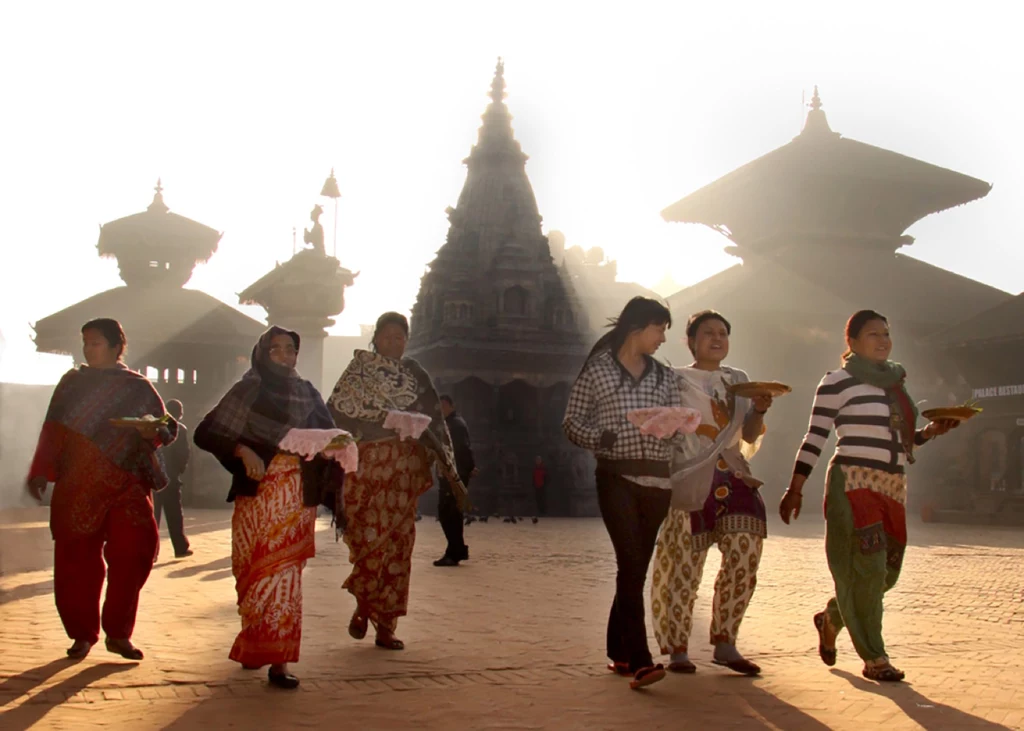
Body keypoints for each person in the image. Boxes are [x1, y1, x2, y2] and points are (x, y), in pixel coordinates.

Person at [779, 310, 959, 683]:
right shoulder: (836, 382)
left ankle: (831, 617)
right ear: (853, 342)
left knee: (886, 574)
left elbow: (904, 440)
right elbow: (815, 437)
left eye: (887, 334)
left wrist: (932, 431)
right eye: (873, 334)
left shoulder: (895, 383)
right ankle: (875, 657)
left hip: (892, 485)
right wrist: (795, 488)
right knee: (867, 568)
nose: (883, 340)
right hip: (853, 483)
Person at [193, 326, 339, 689]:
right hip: (257, 495)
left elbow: (328, 434)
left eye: (290, 349)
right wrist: (243, 450)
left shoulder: (307, 392)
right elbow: (206, 432)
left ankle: (279, 660)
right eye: (276, 350)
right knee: (252, 571)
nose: (285, 356)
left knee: (284, 576)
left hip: (295, 495)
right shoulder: (248, 389)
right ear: (262, 353)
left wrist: (337, 446)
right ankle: (255, 641)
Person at [25, 318, 177, 661]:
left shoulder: (138, 387)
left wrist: (148, 432)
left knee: (135, 552)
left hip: (128, 482)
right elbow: (52, 430)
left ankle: (119, 633)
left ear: (115, 346)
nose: (87, 349)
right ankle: (82, 634)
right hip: (79, 482)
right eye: (85, 342)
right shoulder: (71, 384)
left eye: (94, 343)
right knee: (75, 560)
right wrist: (40, 472)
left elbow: (165, 428)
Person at [562, 296, 683, 690]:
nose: (663, 338)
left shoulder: (665, 377)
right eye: (659, 328)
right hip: (616, 477)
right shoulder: (598, 371)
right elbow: (571, 422)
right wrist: (602, 437)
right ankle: (643, 660)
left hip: (658, 483)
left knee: (634, 571)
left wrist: (674, 425)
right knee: (630, 563)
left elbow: (679, 421)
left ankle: (619, 652)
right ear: (638, 327)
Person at [328, 312, 466, 650]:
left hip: (403, 476)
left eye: (401, 337)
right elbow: (338, 411)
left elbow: (435, 420)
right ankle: (363, 605)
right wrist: (385, 420)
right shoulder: (359, 371)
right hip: (368, 472)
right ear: (375, 337)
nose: (395, 342)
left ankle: (386, 625)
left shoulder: (415, 374)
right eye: (389, 336)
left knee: (398, 549)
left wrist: (446, 462)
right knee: (369, 542)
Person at [651, 310, 773, 677]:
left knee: (745, 553)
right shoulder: (672, 380)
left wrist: (760, 409)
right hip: (691, 477)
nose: (717, 339)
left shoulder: (739, 381)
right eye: (708, 333)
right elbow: (660, 427)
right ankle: (677, 649)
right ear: (690, 341)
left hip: (734, 476)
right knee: (682, 568)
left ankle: (725, 642)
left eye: (723, 333)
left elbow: (749, 436)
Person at [434, 394, 476, 567]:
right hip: (450, 473)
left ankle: (454, 551)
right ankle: (456, 549)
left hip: (454, 475)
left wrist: (465, 470)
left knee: (450, 513)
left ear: (450, 405)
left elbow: (462, 449)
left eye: (443, 406)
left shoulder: (455, 424)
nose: (441, 410)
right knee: (449, 512)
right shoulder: (450, 424)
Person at [154, 399, 192, 559]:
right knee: (175, 515)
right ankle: (180, 547)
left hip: (155, 477)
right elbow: (184, 454)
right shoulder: (180, 430)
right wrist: (178, 471)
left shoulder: (155, 427)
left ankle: (152, 551)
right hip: (170, 478)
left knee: (153, 516)